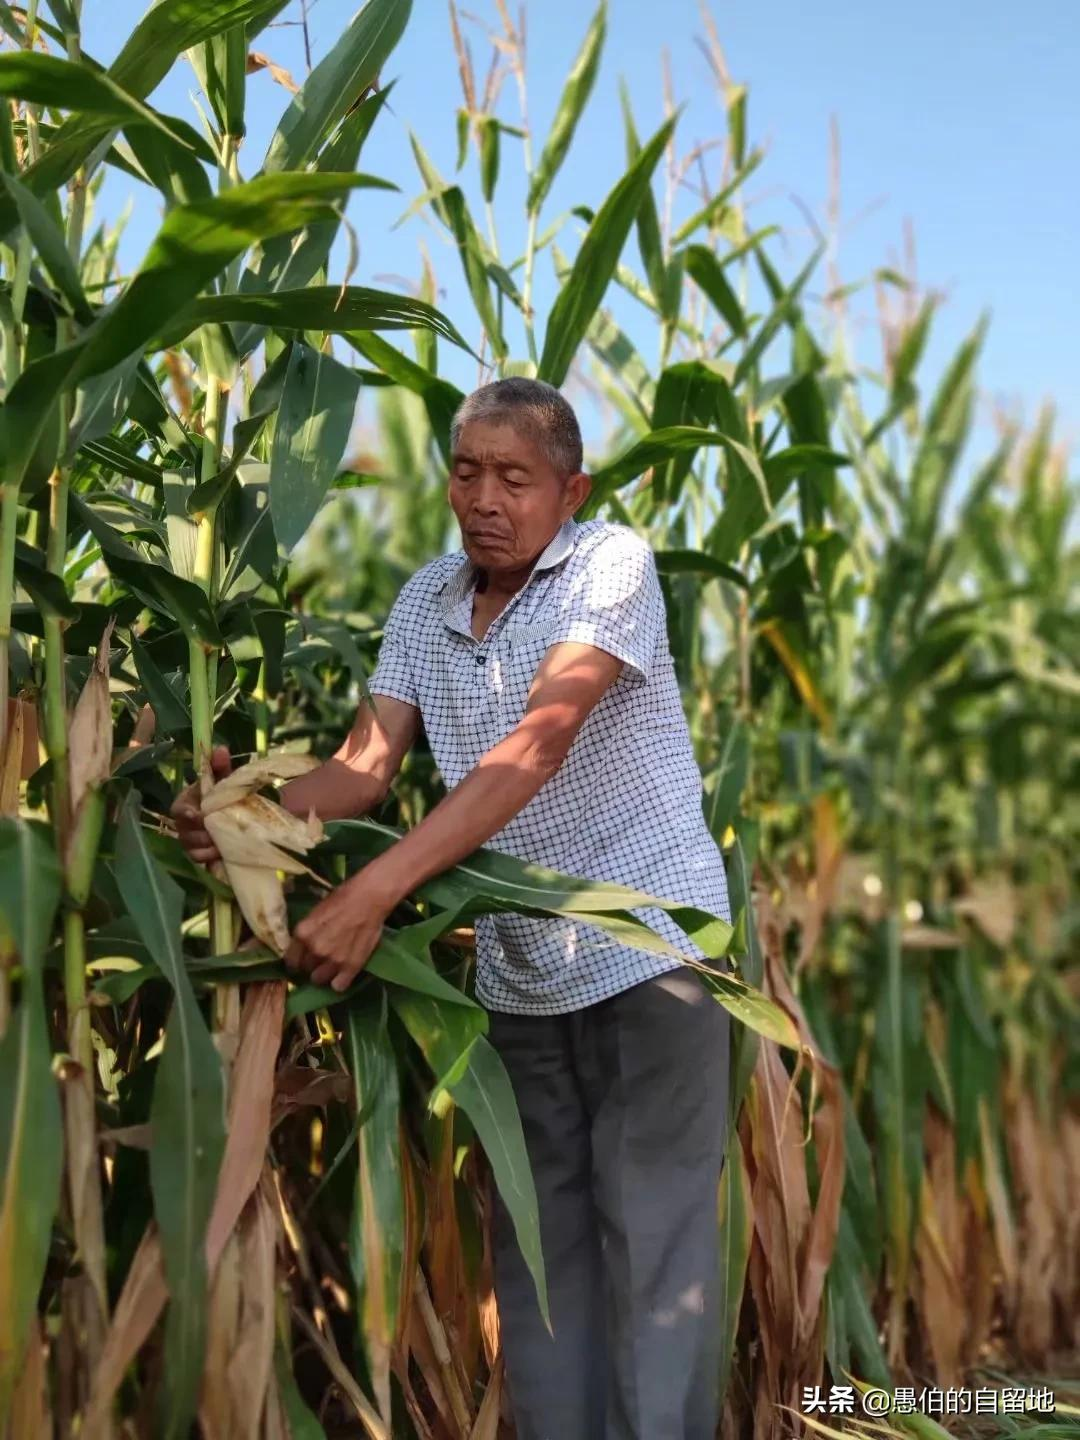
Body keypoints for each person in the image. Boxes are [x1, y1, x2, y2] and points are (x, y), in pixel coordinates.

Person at [174, 377, 732, 1440]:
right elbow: (365, 768)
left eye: (515, 478)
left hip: (650, 947)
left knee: (653, 1245)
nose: (485, 498)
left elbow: (536, 745)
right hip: (523, 970)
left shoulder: (611, 566)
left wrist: (376, 890)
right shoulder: (428, 598)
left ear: (573, 489)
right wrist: (245, 808)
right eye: (467, 472)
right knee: (538, 1247)